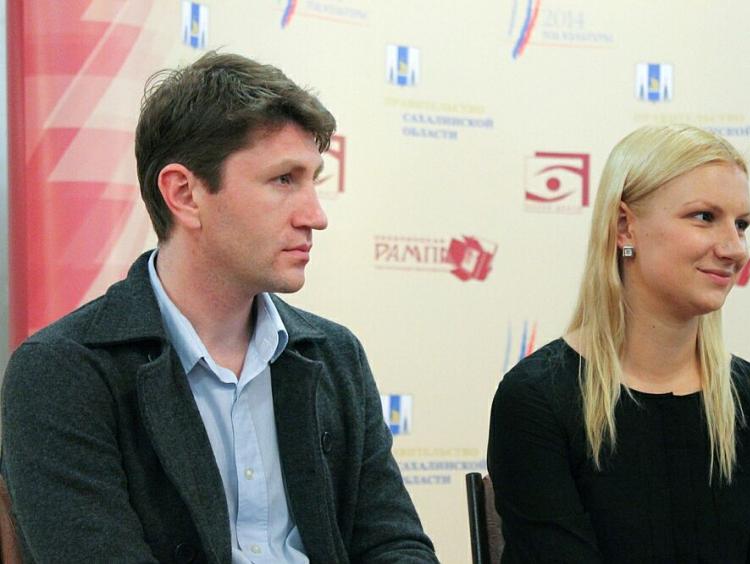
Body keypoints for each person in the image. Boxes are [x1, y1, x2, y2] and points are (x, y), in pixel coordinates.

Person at [1, 52, 438, 564]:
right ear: (185, 194)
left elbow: (393, 544)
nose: (316, 216)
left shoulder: (335, 354)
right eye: (283, 180)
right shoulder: (63, 372)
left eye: (313, 181)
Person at [487, 125, 750, 563]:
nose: (735, 249)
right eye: (704, 217)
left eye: (742, 224)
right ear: (625, 227)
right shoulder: (537, 400)